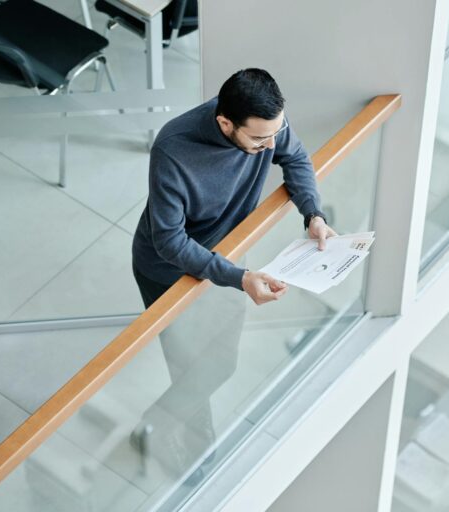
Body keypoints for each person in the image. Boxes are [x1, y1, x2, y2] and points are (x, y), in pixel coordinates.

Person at [128, 68, 336, 481]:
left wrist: (312, 213)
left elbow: (294, 156)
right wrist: (239, 277)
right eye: (259, 139)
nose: (270, 145)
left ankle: (167, 426)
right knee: (190, 363)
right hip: (170, 271)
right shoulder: (174, 149)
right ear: (225, 123)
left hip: (226, 261)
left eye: (276, 132)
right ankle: (166, 432)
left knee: (218, 362)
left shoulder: (267, 125)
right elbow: (169, 241)